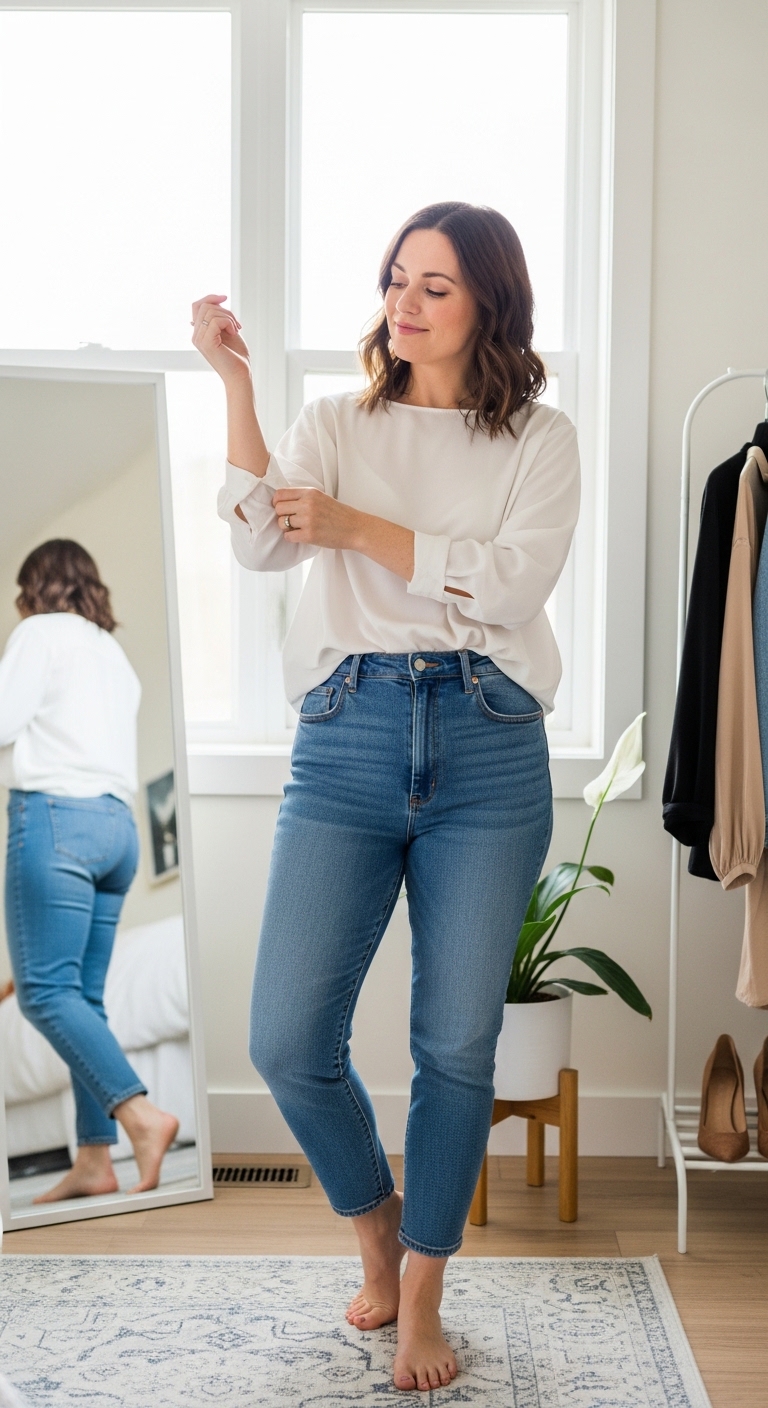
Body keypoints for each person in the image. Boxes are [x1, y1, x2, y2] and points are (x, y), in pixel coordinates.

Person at [194, 200, 580, 1394]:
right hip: (346, 734)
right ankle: (373, 1220)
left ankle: (422, 1284)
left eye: (437, 288)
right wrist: (236, 384)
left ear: (490, 308)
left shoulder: (539, 439)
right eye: (397, 281)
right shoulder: (331, 420)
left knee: (453, 1044)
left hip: (489, 737)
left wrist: (367, 528)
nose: (405, 306)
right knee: (284, 1037)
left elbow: (513, 590)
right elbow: (262, 544)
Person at [0, 539, 179, 1203]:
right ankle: (95, 1162)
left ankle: (141, 1115)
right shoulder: (114, 656)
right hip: (116, 830)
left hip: (56, 823)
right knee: (85, 1000)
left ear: (35, 588)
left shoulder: (39, 633)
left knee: (44, 992)